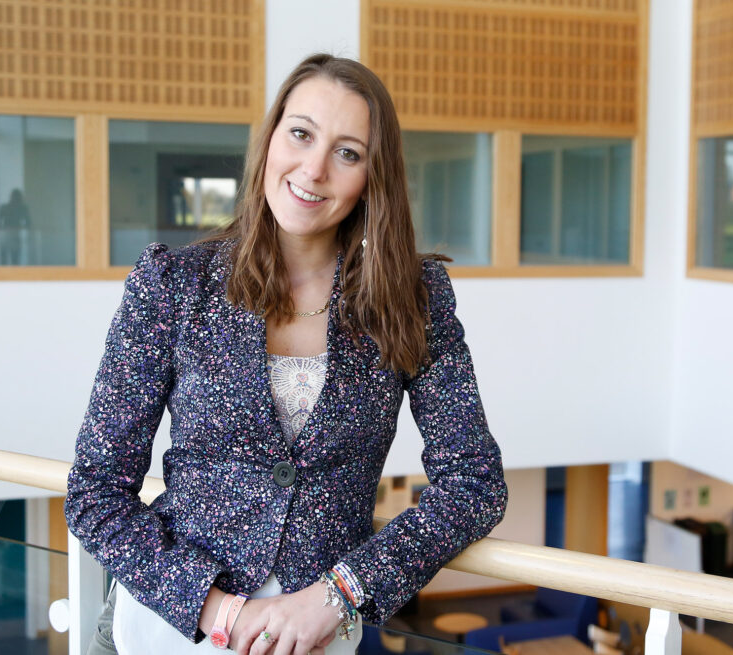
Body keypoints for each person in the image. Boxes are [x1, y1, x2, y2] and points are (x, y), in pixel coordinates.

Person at [65, 53, 507, 655]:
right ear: (270, 139)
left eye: (347, 153)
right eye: (301, 134)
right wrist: (220, 610)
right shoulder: (174, 283)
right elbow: (94, 491)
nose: (314, 169)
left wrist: (341, 591)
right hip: (160, 631)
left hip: (315, 640)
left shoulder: (412, 298)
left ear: (372, 177)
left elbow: (475, 483)